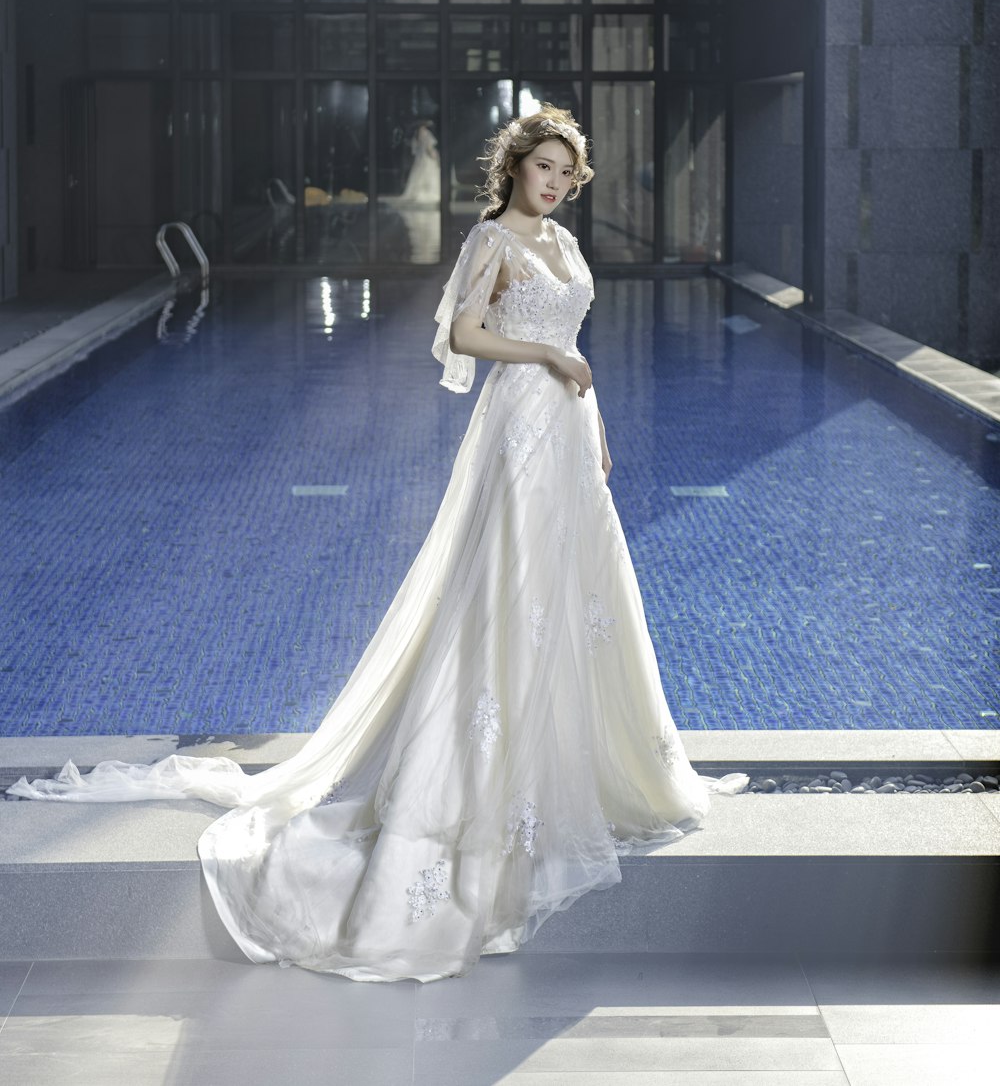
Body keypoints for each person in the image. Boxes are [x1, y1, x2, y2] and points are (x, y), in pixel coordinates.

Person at [7, 105, 747, 983]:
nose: (551, 182)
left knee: (579, 601)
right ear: (513, 167)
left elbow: (576, 344)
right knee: (513, 599)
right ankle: (480, 791)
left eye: (564, 173)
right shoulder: (493, 241)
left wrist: (594, 422)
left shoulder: (566, 245)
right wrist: (548, 363)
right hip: (517, 434)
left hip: (570, 433)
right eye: (541, 166)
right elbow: (464, 336)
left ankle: (582, 771)